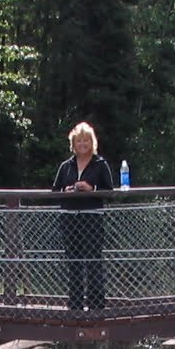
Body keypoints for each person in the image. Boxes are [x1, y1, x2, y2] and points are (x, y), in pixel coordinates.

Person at [50, 122, 114, 310]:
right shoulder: (66, 166)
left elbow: (109, 191)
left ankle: (96, 304)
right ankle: (75, 304)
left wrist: (91, 189)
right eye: (79, 141)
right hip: (69, 219)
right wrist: (66, 190)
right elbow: (55, 191)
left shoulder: (100, 164)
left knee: (93, 260)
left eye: (86, 140)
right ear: (73, 144)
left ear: (92, 143)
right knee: (73, 261)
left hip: (92, 218)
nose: (83, 144)